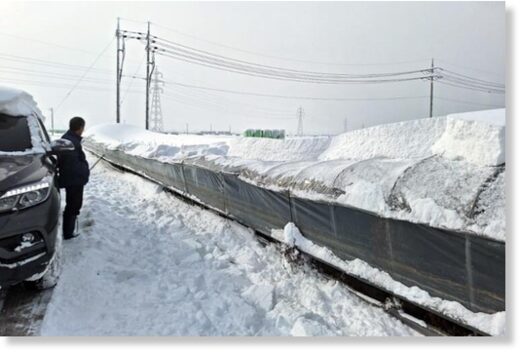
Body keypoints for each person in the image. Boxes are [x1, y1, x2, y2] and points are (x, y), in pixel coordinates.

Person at [58, 117, 90, 239]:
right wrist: (83, 173)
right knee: (73, 205)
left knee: (72, 205)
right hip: (74, 180)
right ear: (80, 127)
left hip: (72, 179)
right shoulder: (71, 142)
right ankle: (68, 233)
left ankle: (68, 230)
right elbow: (73, 166)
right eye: (83, 127)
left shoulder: (68, 139)